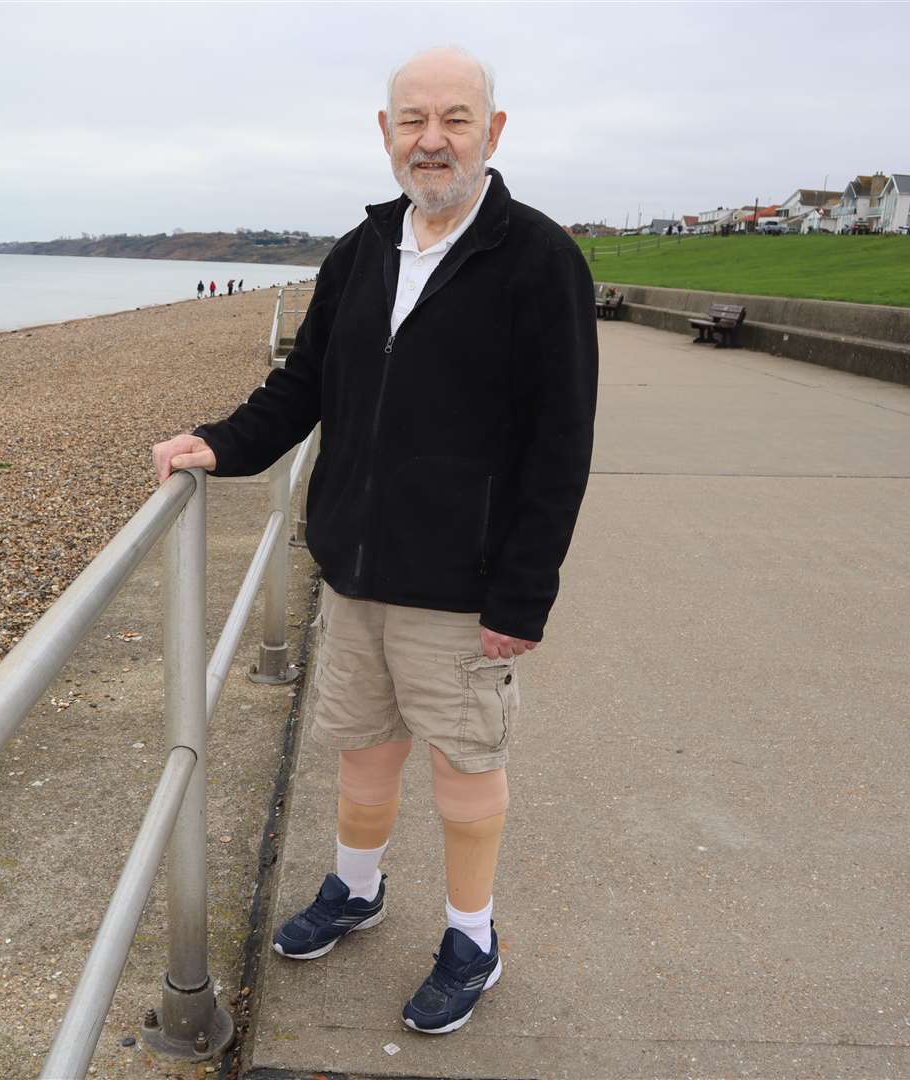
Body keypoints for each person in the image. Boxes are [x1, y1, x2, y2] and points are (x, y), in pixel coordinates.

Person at [150, 45, 596, 1036]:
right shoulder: (360, 253)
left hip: (465, 584)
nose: (432, 139)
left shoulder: (538, 259)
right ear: (385, 131)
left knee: (464, 768)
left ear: (494, 129)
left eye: (455, 119)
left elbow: (562, 444)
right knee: (362, 752)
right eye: (412, 120)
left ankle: (472, 938)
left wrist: (523, 596)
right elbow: (304, 386)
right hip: (355, 568)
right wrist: (217, 445)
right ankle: (357, 888)